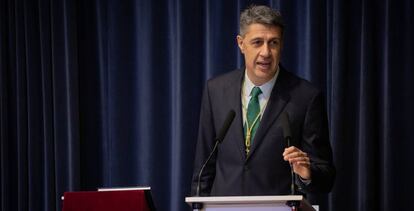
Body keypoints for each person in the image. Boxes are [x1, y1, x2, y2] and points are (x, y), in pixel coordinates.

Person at [191, 5, 335, 196]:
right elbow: (203, 169)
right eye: (257, 42)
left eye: (273, 43)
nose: (266, 52)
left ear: (281, 44)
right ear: (241, 44)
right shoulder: (216, 90)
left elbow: (326, 177)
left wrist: (306, 173)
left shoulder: (306, 97)